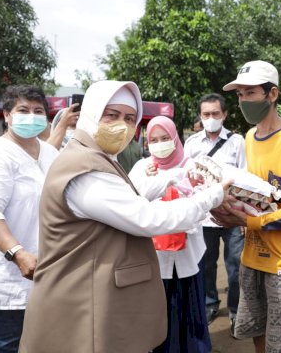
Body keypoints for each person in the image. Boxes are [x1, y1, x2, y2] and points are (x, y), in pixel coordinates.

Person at [19, 80, 231, 353]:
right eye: (112, 115)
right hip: (82, 303)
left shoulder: (97, 157)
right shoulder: (85, 168)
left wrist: (175, 178)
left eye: (130, 118)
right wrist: (212, 195)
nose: (122, 124)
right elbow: (147, 218)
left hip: (90, 293)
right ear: (92, 114)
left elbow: (133, 200)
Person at [215, 60, 281, 353]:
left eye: (250, 93)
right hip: (252, 256)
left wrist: (256, 222)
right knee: (256, 330)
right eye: (239, 95)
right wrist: (230, 208)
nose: (243, 101)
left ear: (272, 94)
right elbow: (259, 193)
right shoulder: (249, 138)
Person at [0, 86, 59, 353]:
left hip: (42, 268)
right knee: (6, 345)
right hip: (4, 270)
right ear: (7, 115)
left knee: (38, 344)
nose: (32, 116)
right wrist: (17, 253)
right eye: (23, 110)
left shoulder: (50, 153)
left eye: (38, 111)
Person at [129, 115, 211, 353]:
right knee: (160, 313)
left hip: (187, 255)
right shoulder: (141, 169)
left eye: (165, 138)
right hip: (155, 260)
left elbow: (204, 206)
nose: (159, 144)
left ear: (175, 138)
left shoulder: (192, 167)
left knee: (188, 310)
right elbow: (132, 205)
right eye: (153, 139)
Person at [183, 93, 247, 330]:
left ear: (225, 115)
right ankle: (210, 303)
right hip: (204, 217)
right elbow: (184, 178)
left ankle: (235, 311)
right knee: (205, 264)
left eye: (215, 114)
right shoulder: (191, 144)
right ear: (200, 116)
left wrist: (244, 216)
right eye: (206, 114)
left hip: (233, 215)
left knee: (235, 266)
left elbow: (245, 176)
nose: (210, 118)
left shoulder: (237, 142)